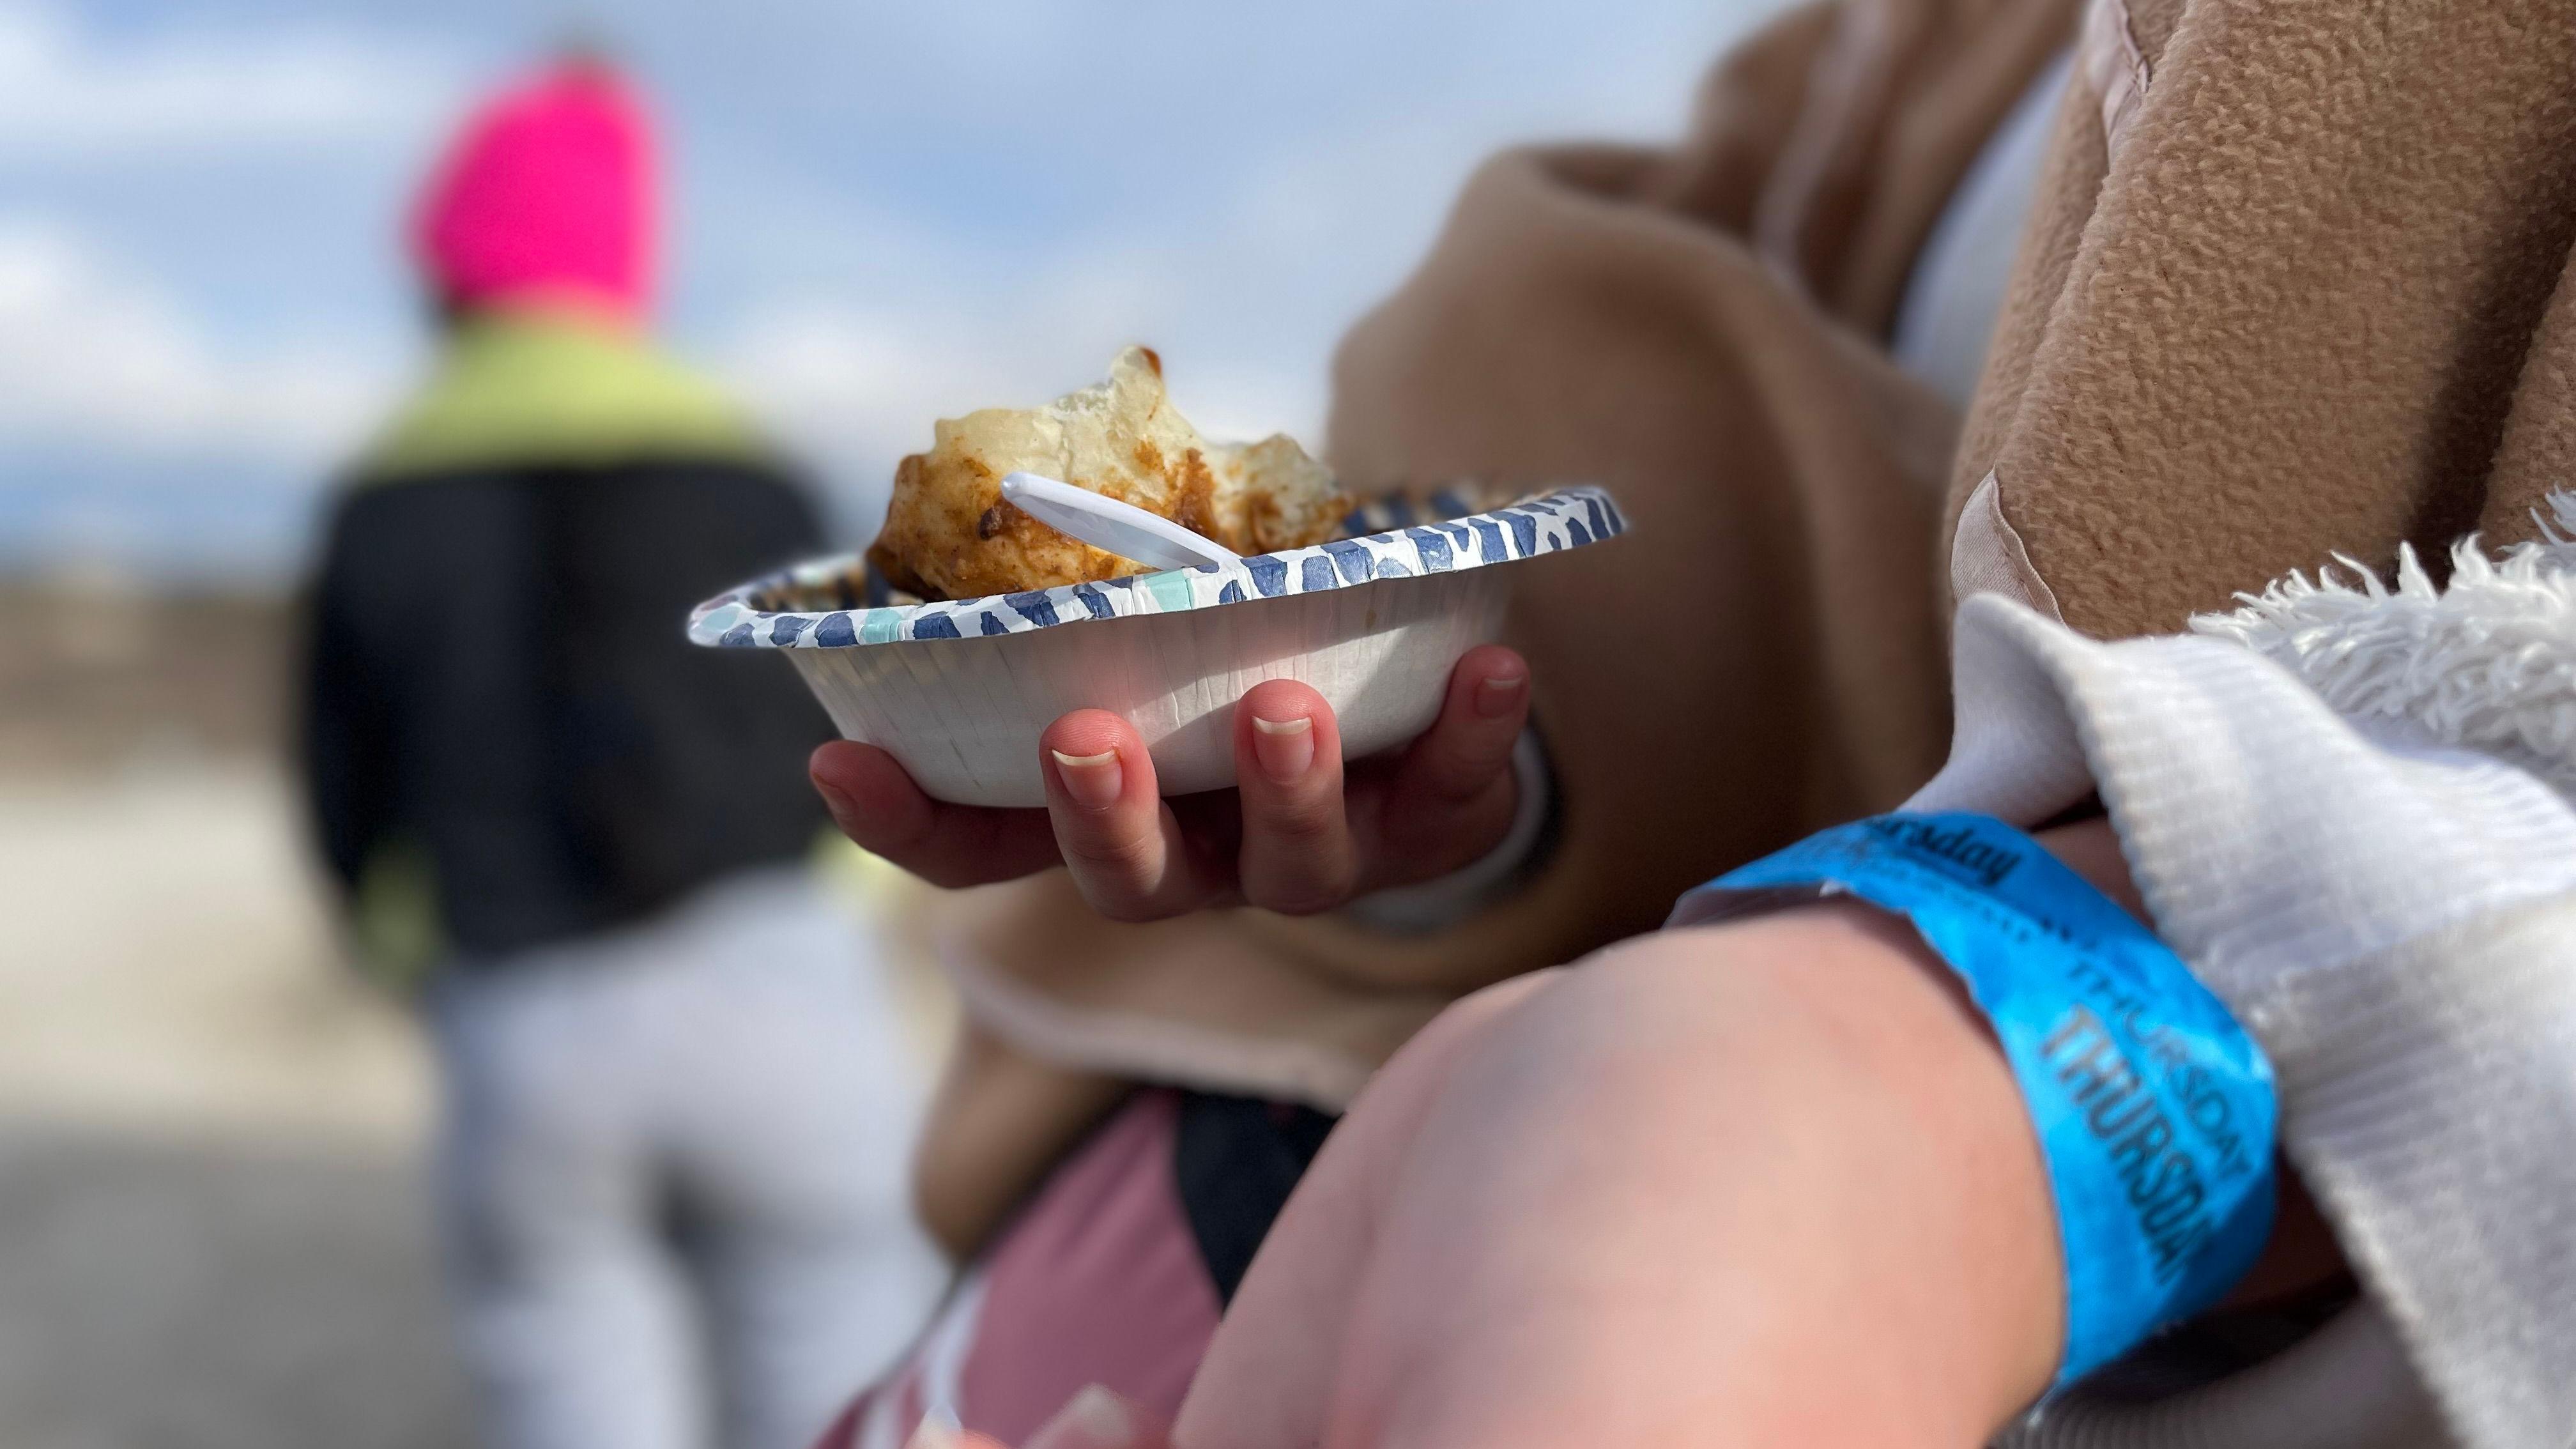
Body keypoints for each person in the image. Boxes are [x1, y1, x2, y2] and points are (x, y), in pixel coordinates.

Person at [820, 0, 2576, 1445]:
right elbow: (1652, 540)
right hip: (1271, 1175)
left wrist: (1957, 1066)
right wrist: (1441, 777)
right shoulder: (1898, 55)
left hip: (1750, 1275)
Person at [297, 57, 941, 1449]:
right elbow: (863, 700)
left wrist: (401, 942)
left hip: (520, 1004)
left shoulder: (379, 495)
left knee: (562, 1355)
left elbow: (341, 792)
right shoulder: (747, 467)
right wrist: (854, 892)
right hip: (784, 982)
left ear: (450, 273)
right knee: (839, 1354)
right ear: (629, 260)